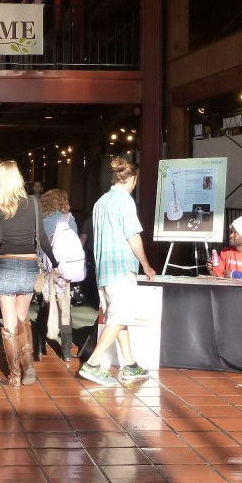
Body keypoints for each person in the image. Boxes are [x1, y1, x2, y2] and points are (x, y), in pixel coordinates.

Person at [0, 161, 56, 388]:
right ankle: (28, 366)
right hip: (30, 265)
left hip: (7, 265)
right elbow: (44, 238)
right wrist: (55, 263)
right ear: (18, 177)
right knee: (22, 319)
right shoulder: (34, 202)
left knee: (9, 323)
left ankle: (14, 377)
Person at [80, 157, 157, 387]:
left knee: (118, 316)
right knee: (120, 316)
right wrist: (145, 264)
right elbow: (133, 235)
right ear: (132, 179)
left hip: (104, 269)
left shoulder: (101, 202)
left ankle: (130, 365)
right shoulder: (125, 202)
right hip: (122, 267)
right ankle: (93, 364)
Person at [39, 188, 78, 361]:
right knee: (65, 308)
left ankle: (39, 347)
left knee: (44, 306)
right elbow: (75, 245)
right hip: (64, 270)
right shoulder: (69, 219)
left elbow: (38, 246)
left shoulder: (41, 221)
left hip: (45, 269)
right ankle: (66, 351)